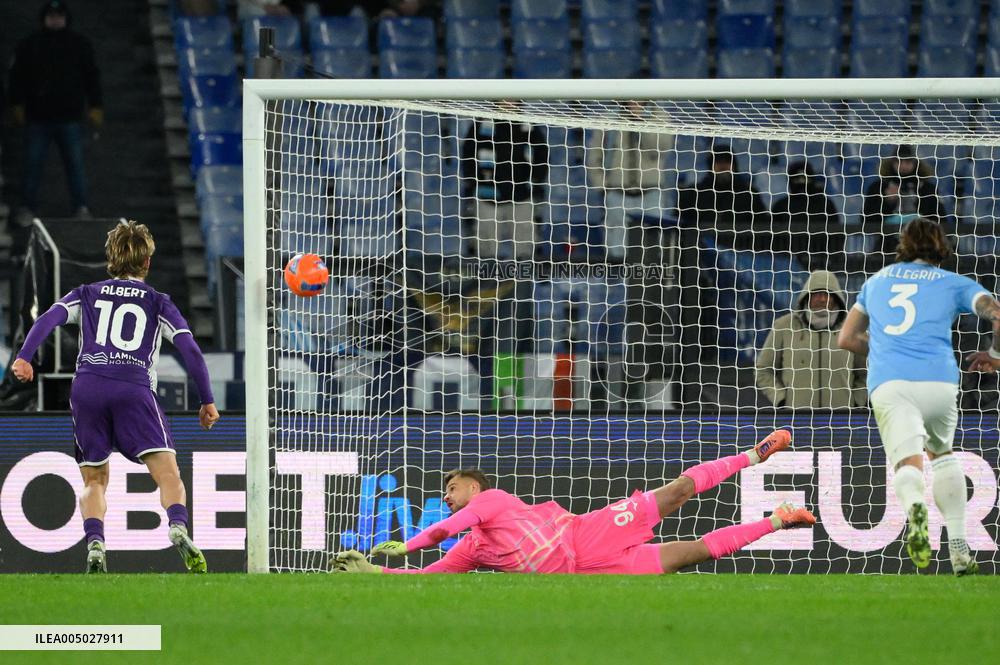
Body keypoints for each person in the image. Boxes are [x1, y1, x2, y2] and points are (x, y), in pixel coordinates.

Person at [11, 221, 220, 574]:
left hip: (88, 387)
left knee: (94, 480)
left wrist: (24, 356)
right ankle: (178, 527)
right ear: (147, 263)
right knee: (168, 475)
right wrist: (207, 400)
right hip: (133, 387)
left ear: (110, 259)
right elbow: (192, 351)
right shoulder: (158, 302)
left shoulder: (87, 293)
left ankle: (95, 543)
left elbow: (48, 318)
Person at [333, 429, 816, 574]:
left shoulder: (493, 501)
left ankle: (754, 455)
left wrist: (408, 545)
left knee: (676, 493)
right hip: (588, 569)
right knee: (689, 553)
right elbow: (429, 578)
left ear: (474, 489)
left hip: (589, 530)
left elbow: (437, 533)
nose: (446, 496)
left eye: (452, 488)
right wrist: (377, 573)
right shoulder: (474, 548)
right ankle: (776, 520)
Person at [838, 217, 1000, 576]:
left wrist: (883, 348)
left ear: (903, 244)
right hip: (938, 381)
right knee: (942, 455)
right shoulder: (954, 282)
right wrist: (995, 356)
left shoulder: (876, 282)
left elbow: (846, 339)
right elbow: (998, 315)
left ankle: (914, 507)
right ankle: (958, 549)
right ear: (941, 246)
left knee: (907, 463)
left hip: (890, 381)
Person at [8, 0, 102, 222]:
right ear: (44, 18)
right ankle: (27, 208)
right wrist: (17, 104)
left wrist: (96, 105)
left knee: (75, 166)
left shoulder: (80, 45)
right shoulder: (29, 45)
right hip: (37, 118)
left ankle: (81, 208)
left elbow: (92, 76)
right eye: (51, 15)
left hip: (69, 117)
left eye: (59, 15)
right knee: (32, 166)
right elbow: (17, 78)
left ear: (66, 18)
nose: (55, 19)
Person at [755, 270, 867, 409]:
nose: (822, 299)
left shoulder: (852, 329)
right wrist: (781, 399)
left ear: (836, 298)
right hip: (797, 420)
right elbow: (763, 370)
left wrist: (855, 401)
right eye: (817, 293)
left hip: (842, 421)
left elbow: (868, 373)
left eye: (827, 294)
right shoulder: (784, 326)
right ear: (806, 296)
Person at [585, 102, 673, 260]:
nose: (635, 103)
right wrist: (602, 185)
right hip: (618, 193)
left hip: (651, 193)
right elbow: (594, 154)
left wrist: (642, 120)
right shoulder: (608, 118)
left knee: (652, 248)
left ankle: (651, 283)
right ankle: (619, 283)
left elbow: (660, 149)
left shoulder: (659, 116)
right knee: (617, 249)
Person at [460, 102, 547, 260]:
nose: (508, 103)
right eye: (504, 99)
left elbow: (542, 153)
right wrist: (474, 182)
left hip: (521, 195)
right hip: (488, 196)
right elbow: (468, 154)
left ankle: (523, 281)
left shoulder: (529, 125)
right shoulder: (481, 125)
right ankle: (486, 282)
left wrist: (536, 179)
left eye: (512, 99)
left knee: (525, 247)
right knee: (485, 248)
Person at [677, 145, 767, 251]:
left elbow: (762, 227)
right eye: (718, 162)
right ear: (711, 165)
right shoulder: (693, 193)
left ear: (734, 165)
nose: (723, 166)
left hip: (741, 254)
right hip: (699, 254)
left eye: (727, 162)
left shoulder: (749, 194)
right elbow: (681, 224)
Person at [862, 146, 945, 257]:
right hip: (887, 246)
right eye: (899, 161)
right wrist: (888, 202)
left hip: (922, 244)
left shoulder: (928, 188)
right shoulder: (878, 187)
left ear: (915, 163)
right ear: (892, 163)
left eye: (908, 161)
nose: (904, 165)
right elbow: (867, 221)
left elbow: (940, 218)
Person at [769, 160, 844, 268]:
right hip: (788, 266)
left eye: (804, 178)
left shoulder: (825, 204)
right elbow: (773, 241)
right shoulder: (780, 207)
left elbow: (836, 236)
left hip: (822, 265)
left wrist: (828, 260)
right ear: (790, 180)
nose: (801, 182)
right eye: (797, 178)